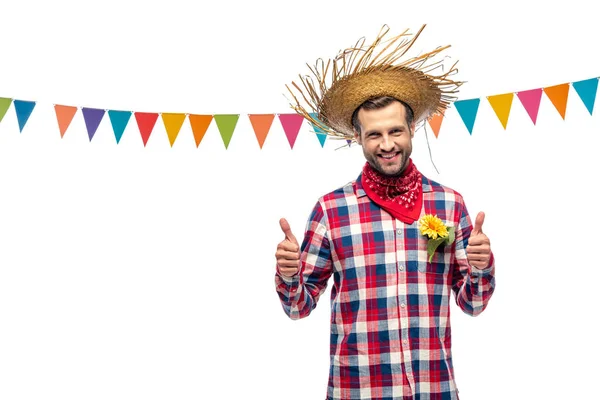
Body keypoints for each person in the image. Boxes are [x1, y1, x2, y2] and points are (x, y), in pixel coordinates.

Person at [274, 25, 495, 400]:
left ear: (412, 129)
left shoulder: (448, 204)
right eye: (374, 135)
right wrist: (288, 274)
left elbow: (472, 304)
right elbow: (298, 308)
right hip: (357, 389)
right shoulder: (331, 210)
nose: (387, 144)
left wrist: (481, 265)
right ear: (357, 138)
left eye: (396, 131)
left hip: (433, 388)